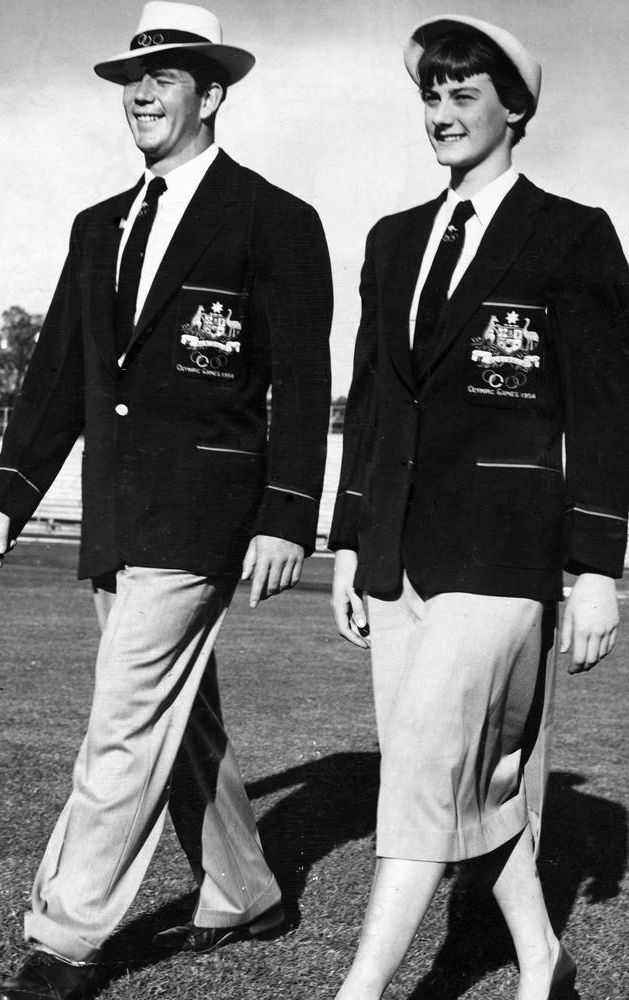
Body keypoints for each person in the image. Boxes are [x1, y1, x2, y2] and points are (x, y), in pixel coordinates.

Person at [0, 3, 332, 998]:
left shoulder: (272, 218)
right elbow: (56, 372)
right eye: (130, 77)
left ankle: (62, 938)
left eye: (165, 76)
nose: (140, 92)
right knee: (184, 717)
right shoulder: (98, 225)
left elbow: (301, 380)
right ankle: (244, 888)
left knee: (125, 717)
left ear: (212, 92)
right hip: (115, 514)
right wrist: (11, 486)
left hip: (205, 513)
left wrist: (284, 512)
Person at [329, 14, 629, 1000]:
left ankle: (358, 990)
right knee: (475, 778)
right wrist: (346, 539)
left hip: (503, 559)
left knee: (420, 777)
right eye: (432, 93)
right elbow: (370, 397)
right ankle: (541, 957)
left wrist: (595, 569)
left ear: (515, 110)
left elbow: (603, 412)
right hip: (395, 555)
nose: (441, 112)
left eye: (464, 94)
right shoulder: (391, 240)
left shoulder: (571, 236)